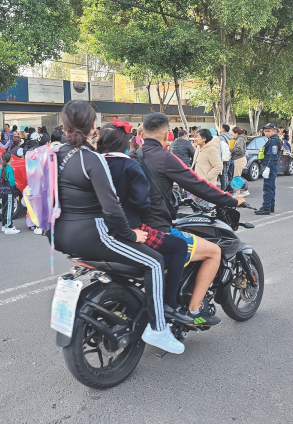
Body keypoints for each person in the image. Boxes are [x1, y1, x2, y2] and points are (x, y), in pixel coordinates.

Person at [54, 100, 184, 354]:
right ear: (93, 125)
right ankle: (159, 330)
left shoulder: (56, 154)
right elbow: (111, 208)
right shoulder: (91, 159)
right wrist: (130, 234)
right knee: (155, 263)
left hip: (60, 235)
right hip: (93, 234)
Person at [129, 113, 242, 327]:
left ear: (142, 134)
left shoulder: (132, 157)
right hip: (158, 231)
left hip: (134, 230)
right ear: (168, 134)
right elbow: (198, 185)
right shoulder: (165, 157)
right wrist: (232, 200)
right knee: (213, 252)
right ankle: (193, 311)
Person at [97, 120, 193, 324]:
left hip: (96, 229)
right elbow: (142, 201)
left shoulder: (94, 163)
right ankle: (169, 306)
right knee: (179, 247)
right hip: (131, 228)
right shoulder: (129, 164)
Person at [255, 123, 281, 215]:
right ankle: (270, 207)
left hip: (271, 165)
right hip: (272, 165)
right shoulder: (272, 140)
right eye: (265, 131)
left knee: (268, 188)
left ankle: (266, 208)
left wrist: (268, 168)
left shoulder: (273, 141)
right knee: (271, 187)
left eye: (269, 131)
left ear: (274, 131)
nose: (266, 133)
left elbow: (273, 155)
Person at [0, 151, 20, 234]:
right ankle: (9, 226)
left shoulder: (1, 168)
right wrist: (16, 194)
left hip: (3, 191)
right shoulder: (10, 169)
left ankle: (4, 225)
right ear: (11, 159)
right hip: (9, 192)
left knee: (4, 208)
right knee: (9, 209)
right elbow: (12, 182)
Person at [218, 125, 233, 190]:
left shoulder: (221, 137)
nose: (220, 130)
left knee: (223, 174)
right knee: (227, 173)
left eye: (221, 128)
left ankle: (224, 189)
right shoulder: (231, 137)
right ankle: (229, 188)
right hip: (229, 156)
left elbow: (219, 148)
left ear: (223, 130)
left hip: (223, 157)